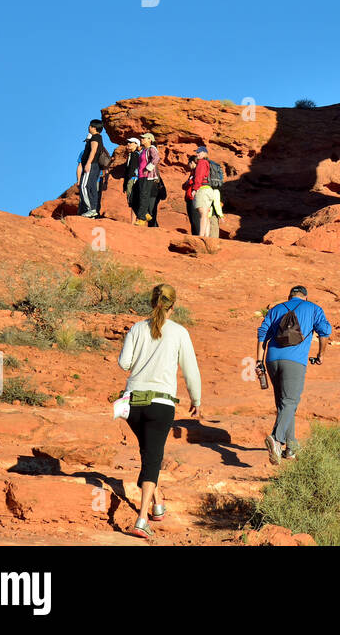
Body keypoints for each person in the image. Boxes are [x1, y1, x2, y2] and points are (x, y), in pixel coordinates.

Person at [116, 284, 201, 540]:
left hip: (131, 404)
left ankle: (158, 503)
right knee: (152, 458)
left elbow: (124, 364)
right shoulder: (179, 332)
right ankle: (142, 520)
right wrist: (196, 398)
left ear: (152, 303)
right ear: (173, 306)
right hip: (160, 405)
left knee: (148, 454)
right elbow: (190, 370)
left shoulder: (137, 328)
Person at [256, 286, 330, 464]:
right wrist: (321, 355)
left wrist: (258, 361)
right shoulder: (313, 308)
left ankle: (291, 448)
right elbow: (324, 332)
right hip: (295, 361)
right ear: (305, 296)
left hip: (272, 360)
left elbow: (262, 335)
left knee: (285, 405)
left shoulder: (276, 309)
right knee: (290, 402)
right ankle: (276, 438)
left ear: (289, 296)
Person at [76, 119, 108, 218]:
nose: (88, 127)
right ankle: (92, 210)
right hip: (95, 166)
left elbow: (93, 151)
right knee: (91, 187)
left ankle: (90, 209)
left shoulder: (95, 137)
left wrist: (88, 163)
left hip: (92, 165)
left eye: (90, 126)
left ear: (94, 127)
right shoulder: (98, 137)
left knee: (84, 186)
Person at [134, 132, 161, 227]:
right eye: (142, 138)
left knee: (144, 196)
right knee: (140, 195)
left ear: (150, 139)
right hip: (141, 176)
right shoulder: (143, 150)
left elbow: (156, 158)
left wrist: (148, 168)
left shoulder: (152, 149)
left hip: (148, 176)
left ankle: (141, 218)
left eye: (144, 138)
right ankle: (146, 214)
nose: (142, 139)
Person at [183, 147, 209, 236]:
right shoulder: (192, 173)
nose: (188, 164)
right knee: (193, 220)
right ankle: (197, 235)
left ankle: (199, 236)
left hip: (194, 197)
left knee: (196, 219)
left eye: (190, 162)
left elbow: (196, 181)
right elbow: (184, 186)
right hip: (189, 197)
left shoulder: (199, 167)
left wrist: (194, 188)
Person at [122, 137, 142, 224]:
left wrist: (130, 180)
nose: (128, 144)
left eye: (131, 142)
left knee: (134, 201)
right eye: (128, 142)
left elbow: (132, 169)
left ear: (136, 145)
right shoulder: (132, 155)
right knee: (132, 202)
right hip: (131, 180)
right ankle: (133, 222)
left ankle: (136, 221)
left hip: (134, 180)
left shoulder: (135, 155)